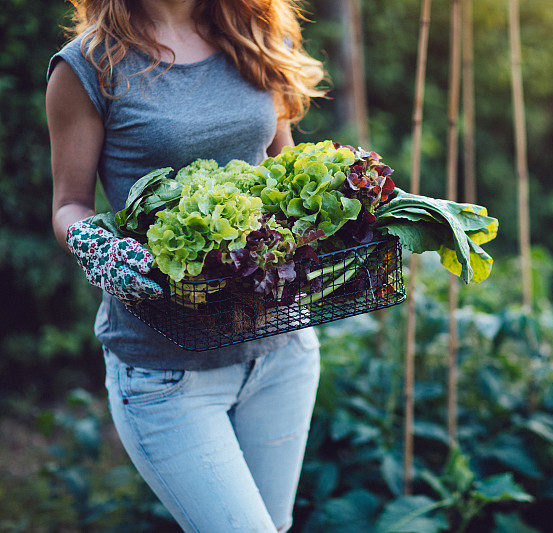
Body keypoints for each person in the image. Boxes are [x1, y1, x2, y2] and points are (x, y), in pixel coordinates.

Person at [45, 1, 327, 530]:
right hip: (166, 369)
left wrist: (340, 207)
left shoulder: (254, 33)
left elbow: (284, 168)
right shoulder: (87, 66)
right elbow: (69, 203)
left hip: (281, 348)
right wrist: (93, 243)